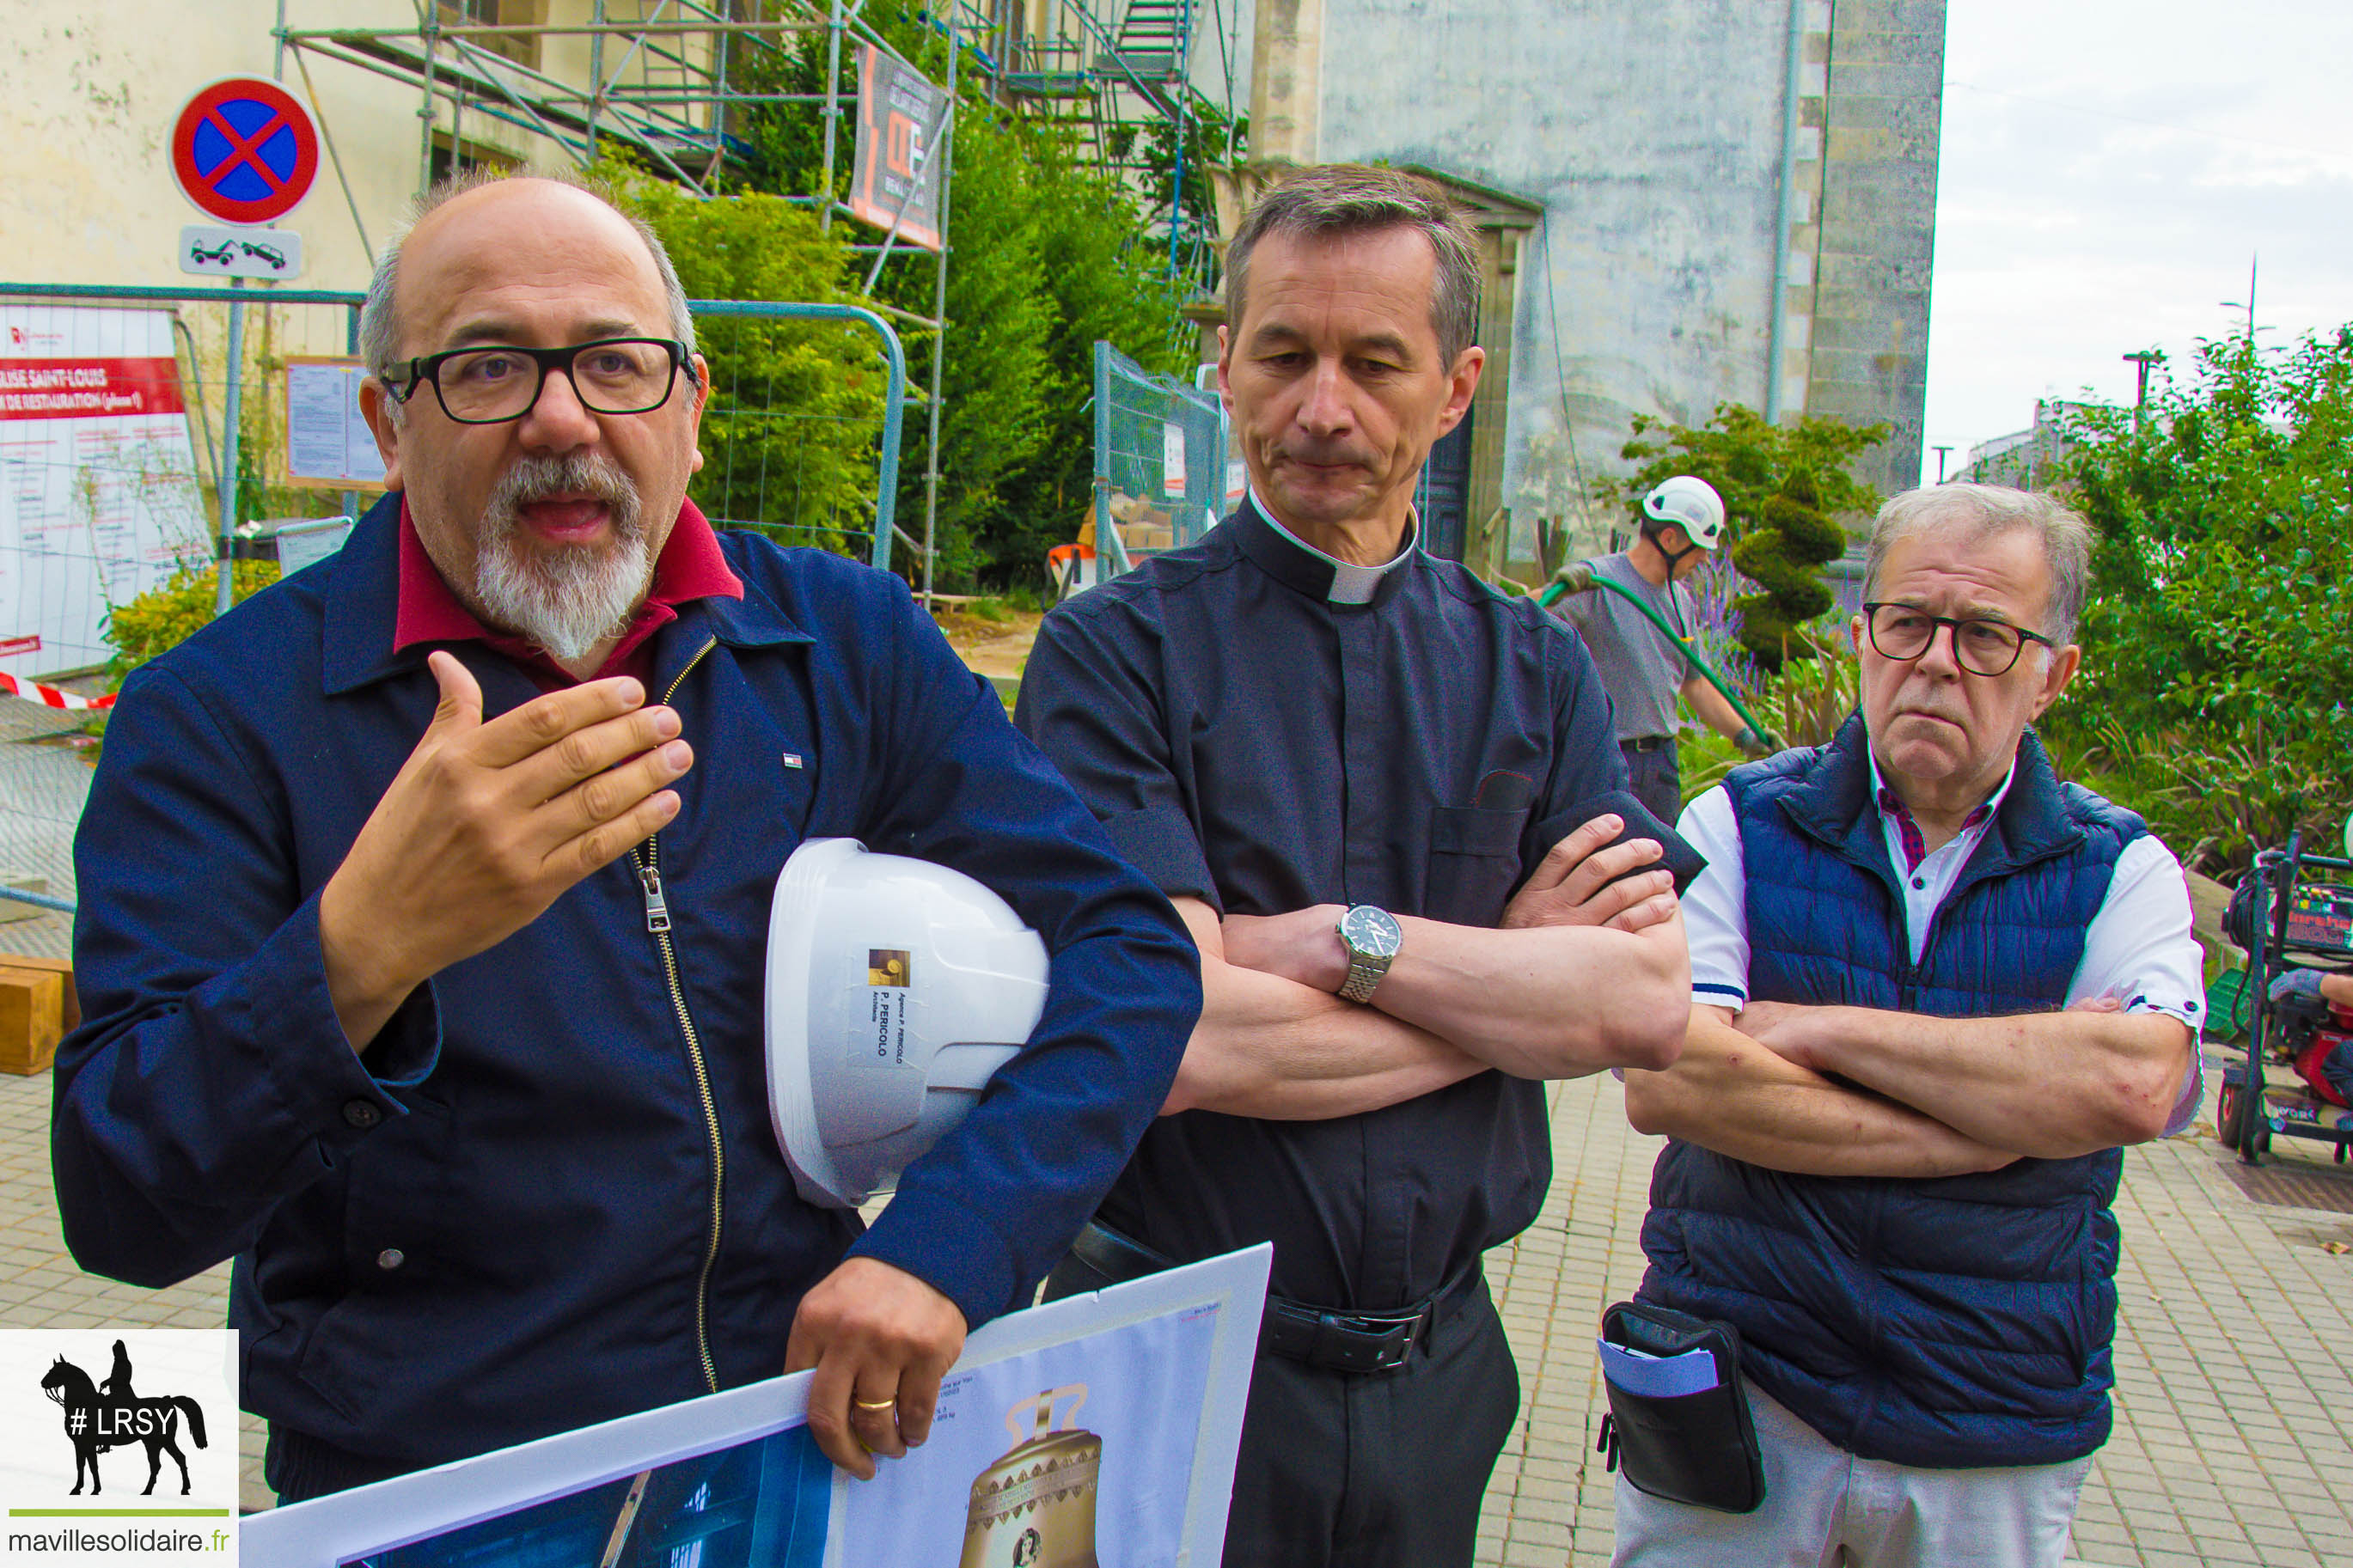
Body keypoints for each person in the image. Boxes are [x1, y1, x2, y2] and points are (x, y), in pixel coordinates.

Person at [51, 172, 1200, 1501]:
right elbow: (120, 1204)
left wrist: (953, 1241)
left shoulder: (839, 639)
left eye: (614, 362)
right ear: (386, 420)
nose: (561, 417)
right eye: (486, 367)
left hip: (786, 1454)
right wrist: (364, 949)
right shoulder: (222, 711)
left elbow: (1127, 950)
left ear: (692, 408)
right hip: (433, 1497)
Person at [1015, 163, 1692, 1567]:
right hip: (1165, 1360)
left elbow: (1634, 1011)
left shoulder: (1537, 671)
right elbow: (1177, 1037)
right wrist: (1506, 996)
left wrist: (1329, 943)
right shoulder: (1109, 656)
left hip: (1442, 1375)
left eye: (1373, 363)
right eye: (1282, 355)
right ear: (1223, 364)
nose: (1321, 406)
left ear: (1453, 389)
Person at [1617, 483, 2206, 1567]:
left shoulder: (2119, 868)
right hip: (1749, 1395)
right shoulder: (1736, 824)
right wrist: (1997, 1123)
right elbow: (1670, 1078)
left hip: (1992, 1423)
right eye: (1907, 624)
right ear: (1861, 636)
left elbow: (2127, 1086)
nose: (1936, 661)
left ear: (2051, 676)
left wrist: (1818, 1030)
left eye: (1986, 634)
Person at [1553, 476, 1771, 822]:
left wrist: (1745, 736)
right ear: (1669, 538)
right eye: (1699, 548)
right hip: (1606, 760)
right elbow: (1521, 623)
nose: (1703, 559)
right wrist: (1555, 590)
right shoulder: (1594, 583)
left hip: (1661, 767)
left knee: (1661, 869)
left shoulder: (1680, 600)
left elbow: (1694, 683)